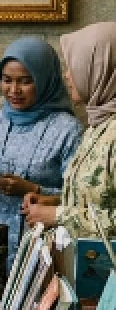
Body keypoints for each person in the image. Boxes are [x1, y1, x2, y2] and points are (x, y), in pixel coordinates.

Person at [0, 37, 81, 289]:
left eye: (25, 81)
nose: (14, 90)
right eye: (7, 80)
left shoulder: (68, 130)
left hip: (40, 255)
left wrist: (32, 190)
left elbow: (79, 200)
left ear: (45, 80)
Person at [23, 22, 116, 233]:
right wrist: (55, 202)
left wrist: (58, 215)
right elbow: (99, 202)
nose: (66, 75)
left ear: (100, 70)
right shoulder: (98, 126)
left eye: (73, 66)